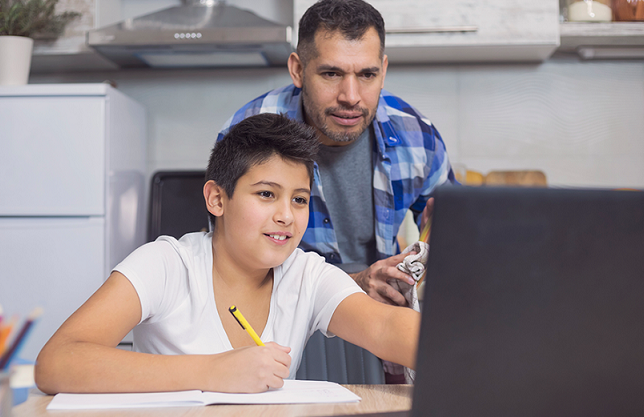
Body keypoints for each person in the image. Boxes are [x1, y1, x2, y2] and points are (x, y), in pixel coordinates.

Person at [34, 113, 419, 395]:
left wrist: (471, 350)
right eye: (266, 194)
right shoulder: (165, 264)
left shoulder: (307, 274)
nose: (286, 215)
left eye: (299, 199)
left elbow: (386, 328)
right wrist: (212, 371)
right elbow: (57, 362)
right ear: (217, 198)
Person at [218, 0, 456, 307]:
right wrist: (354, 283)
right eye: (331, 74)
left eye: (367, 75)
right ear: (298, 70)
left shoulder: (418, 138)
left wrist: (442, 232)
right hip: (279, 315)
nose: (351, 97)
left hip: (378, 317)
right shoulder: (249, 137)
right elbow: (232, 266)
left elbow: (452, 229)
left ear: (383, 71)